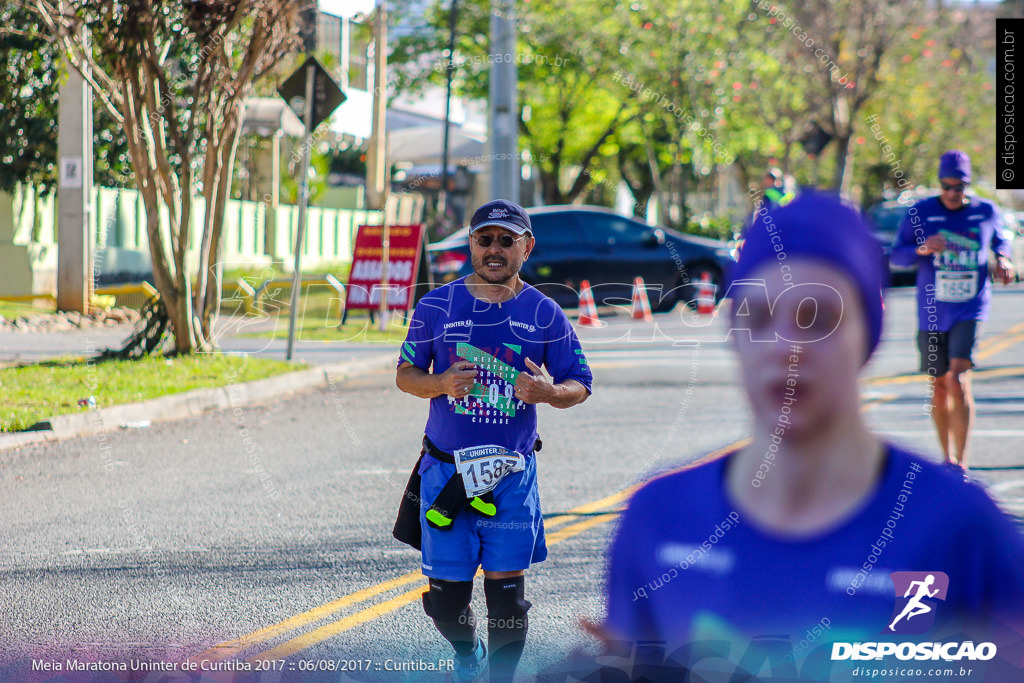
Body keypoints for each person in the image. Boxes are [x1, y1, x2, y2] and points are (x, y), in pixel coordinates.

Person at [584, 193, 1024, 682]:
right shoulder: (658, 520)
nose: (786, 347)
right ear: (733, 334)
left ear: (869, 335)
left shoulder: (963, 531)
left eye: (817, 318)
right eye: (758, 318)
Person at [394, 198, 593, 682]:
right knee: (446, 599)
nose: (495, 249)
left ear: (527, 247)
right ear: (472, 244)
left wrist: (549, 392)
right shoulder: (436, 305)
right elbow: (405, 374)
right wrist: (438, 384)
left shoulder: (544, 313)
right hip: (446, 474)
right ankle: (469, 654)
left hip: (510, 478)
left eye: (507, 240)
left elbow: (581, 383)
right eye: (486, 239)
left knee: (507, 596)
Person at [891, 150, 1015, 472]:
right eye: (945, 186)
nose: (951, 193)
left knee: (959, 378)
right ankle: (946, 458)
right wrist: (922, 248)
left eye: (958, 187)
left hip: (970, 306)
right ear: (939, 184)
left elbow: (1002, 243)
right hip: (931, 310)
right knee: (939, 384)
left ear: (967, 185)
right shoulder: (920, 213)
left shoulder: (986, 211)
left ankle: (962, 462)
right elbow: (898, 257)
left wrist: (1003, 260)